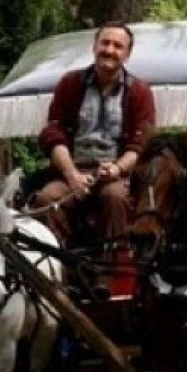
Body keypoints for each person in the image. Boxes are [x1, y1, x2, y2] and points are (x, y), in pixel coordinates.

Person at [32, 22, 156, 247]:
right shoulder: (70, 84)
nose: (110, 50)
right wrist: (72, 175)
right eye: (105, 43)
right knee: (47, 199)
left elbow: (140, 145)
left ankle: (111, 271)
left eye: (118, 46)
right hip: (72, 172)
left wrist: (117, 168)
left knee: (114, 198)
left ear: (127, 54)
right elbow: (54, 133)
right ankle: (59, 267)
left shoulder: (140, 92)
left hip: (116, 177)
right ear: (95, 46)